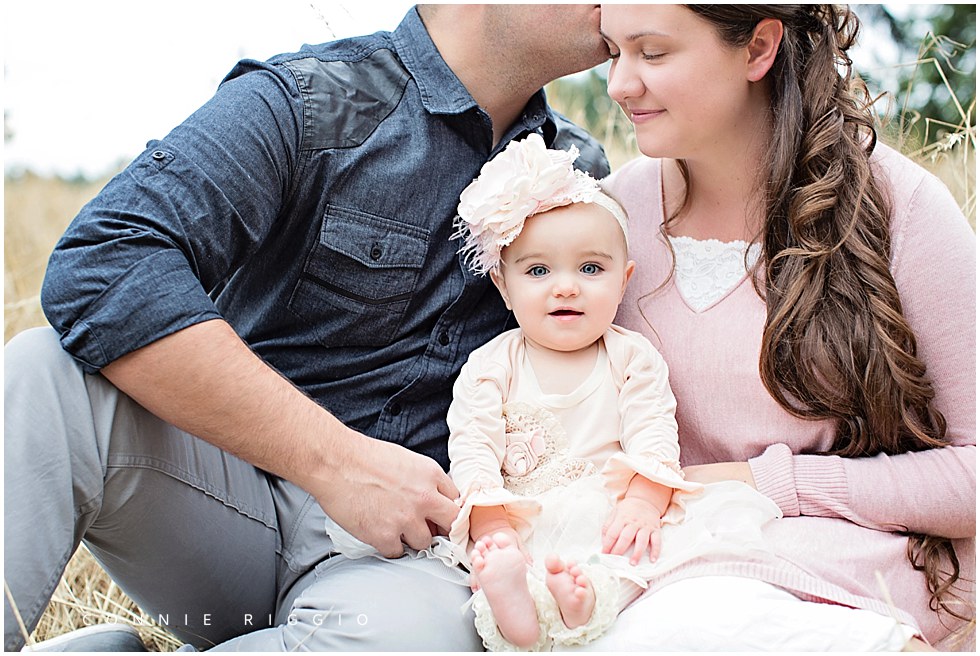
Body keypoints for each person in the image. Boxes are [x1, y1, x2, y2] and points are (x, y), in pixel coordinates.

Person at [3, 5, 612, 651]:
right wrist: (338, 462)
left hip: (404, 563)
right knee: (41, 371)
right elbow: (103, 262)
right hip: (228, 499)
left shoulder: (578, 170)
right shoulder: (309, 101)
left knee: (414, 643)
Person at [587, 4, 976, 652]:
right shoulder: (606, 219)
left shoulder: (898, 210)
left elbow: (972, 475)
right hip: (657, 583)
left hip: (846, 594)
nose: (620, 85)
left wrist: (766, 484)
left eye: (652, 53)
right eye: (612, 53)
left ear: (758, 49)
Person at [435, 133, 782, 651]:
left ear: (624, 281)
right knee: (497, 563)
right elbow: (472, 448)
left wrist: (643, 501)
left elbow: (653, 431)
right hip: (522, 516)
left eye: (591, 268)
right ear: (503, 286)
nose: (567, 286)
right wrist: (491, 524)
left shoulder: (630, 357)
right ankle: (515, 612)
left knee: (635, 556)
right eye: (537, 271)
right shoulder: (491, 366)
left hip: (609, 514)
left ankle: (583, 603)